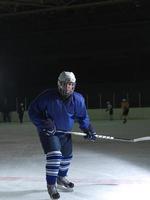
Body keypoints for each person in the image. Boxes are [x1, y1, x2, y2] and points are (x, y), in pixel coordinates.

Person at [28, 71, 97, 200]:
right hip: (49, 132)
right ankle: (51, 184)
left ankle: (61, 177)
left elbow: (83, 117)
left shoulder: (78, 99)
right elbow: (32, 111)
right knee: (55, 156)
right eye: (65, 84)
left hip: (65, 133)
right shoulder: (47, 96)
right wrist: (44, 123)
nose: (67, 87)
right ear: (59, 84)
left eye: (70, 84)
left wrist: (88, 128)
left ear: (74, 85)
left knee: (67, 157)